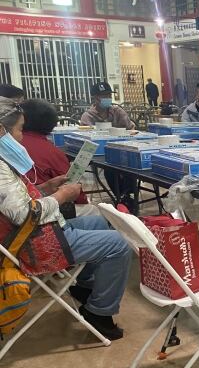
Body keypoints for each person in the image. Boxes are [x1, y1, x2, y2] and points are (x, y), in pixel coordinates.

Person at [0, 97, 131, 340]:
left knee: (100, 222)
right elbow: (27, 213)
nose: (20, 137)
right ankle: (99, 313)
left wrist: (47, 188)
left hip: (29, 231)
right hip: (30, 243)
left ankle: (85, 287)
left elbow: (16, 202)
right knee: (119, 243)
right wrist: (61, 196)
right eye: (19, 130)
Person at [20, 98, 90, 216]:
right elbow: (71, 185)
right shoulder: (51, 152)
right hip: (41, 209)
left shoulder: (11, 144)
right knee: (95, 212)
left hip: (28, 202)